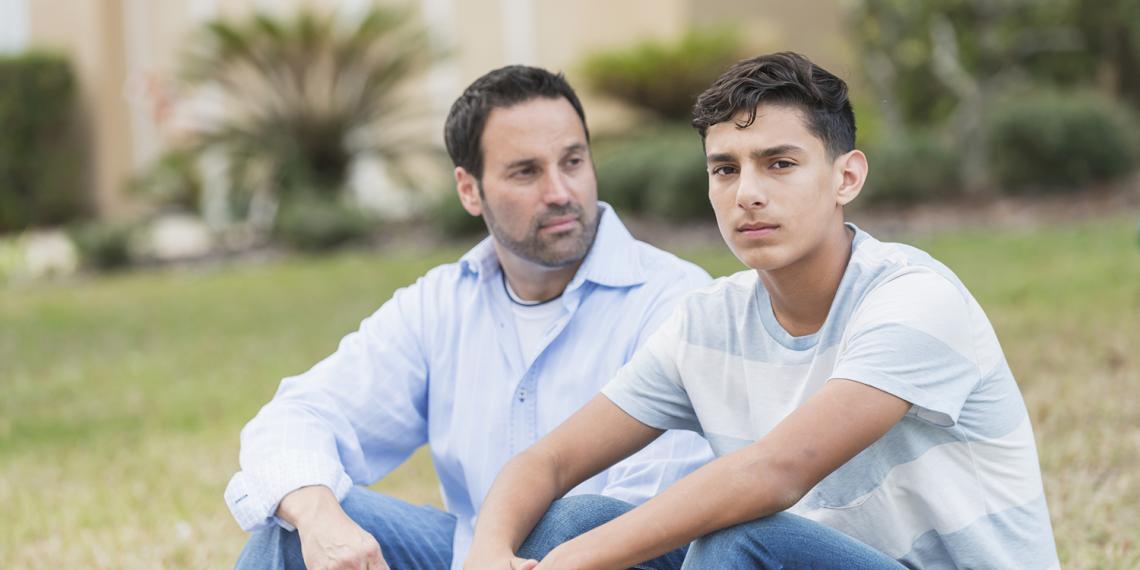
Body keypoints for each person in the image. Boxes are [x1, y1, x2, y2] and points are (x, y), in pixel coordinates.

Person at [466, 52, 1059, 569]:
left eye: (779, 163)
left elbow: (774, 473)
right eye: (725, 169)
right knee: (573, 519)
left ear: (845, 177)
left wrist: (574, 562)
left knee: (740, 538)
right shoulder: (707, 324)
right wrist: (489, 555)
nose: (747, 192)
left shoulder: (913, 299)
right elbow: (547, 460)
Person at [225, 65, 714, 570]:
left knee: (573, 519)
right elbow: (297, 416)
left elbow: (654, 506)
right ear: (469, 189)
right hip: (473, 558)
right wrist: (318, 518)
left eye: (573, 161)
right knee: (292, 527)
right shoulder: (442, 304)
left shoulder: (675, 299)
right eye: (526, 172)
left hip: (608, 558)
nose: (560, 192)